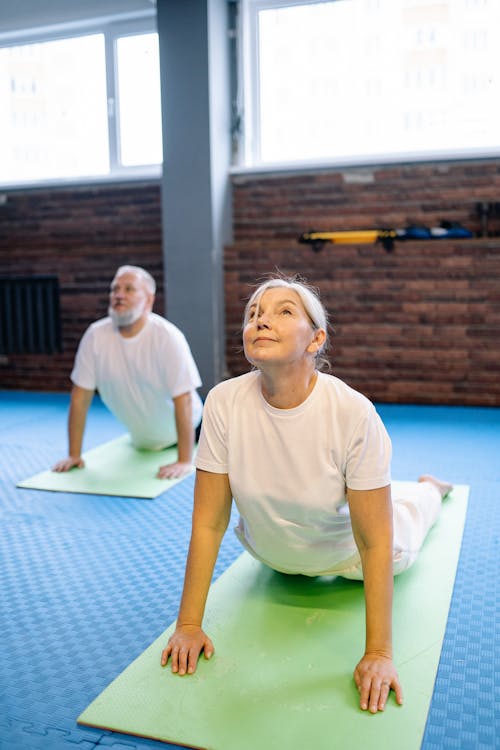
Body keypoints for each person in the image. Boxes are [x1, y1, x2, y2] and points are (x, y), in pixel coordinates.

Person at [160, 274, 453, 713]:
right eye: (254, 314)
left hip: (347, 557)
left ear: (315, 339)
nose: (261, 321)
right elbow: (209, 520)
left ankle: (429, 488)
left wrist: (378, 654)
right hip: (272, 554)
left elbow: (373, 542)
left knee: (408, 517)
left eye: (283, 311)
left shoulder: (352, 413)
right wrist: (187, 625)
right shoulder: (223, 403)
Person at [52, 265, 203, 479]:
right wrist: (73, 455)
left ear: (149, 300)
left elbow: (184, 399)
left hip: (196, 432)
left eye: (129, 289)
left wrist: (185, 461)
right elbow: (80, 398)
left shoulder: (167, 336)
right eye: (115, 289)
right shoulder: (95, 336)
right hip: (142, 442)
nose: (119, 295)